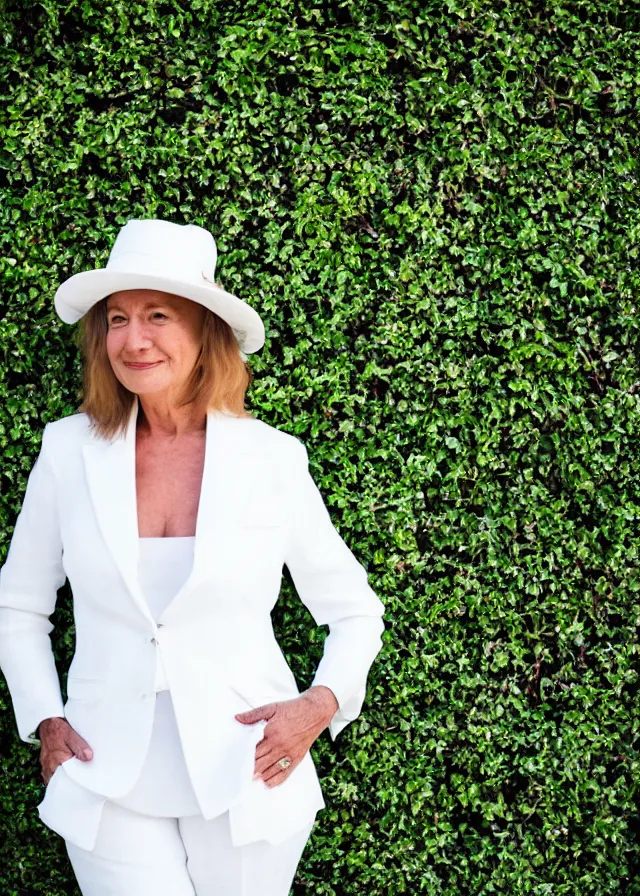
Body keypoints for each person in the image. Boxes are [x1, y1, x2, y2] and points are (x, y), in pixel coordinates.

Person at [0, 219, 386, 896]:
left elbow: (354, 610)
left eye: (157, 316)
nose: (133, 338)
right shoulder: (66, 453)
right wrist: (45, 719)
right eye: (116, 318)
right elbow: (18, 602)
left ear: (205, 331)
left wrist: (320, 704)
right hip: (104, 767)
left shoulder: (272, 458)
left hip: (250, 769)